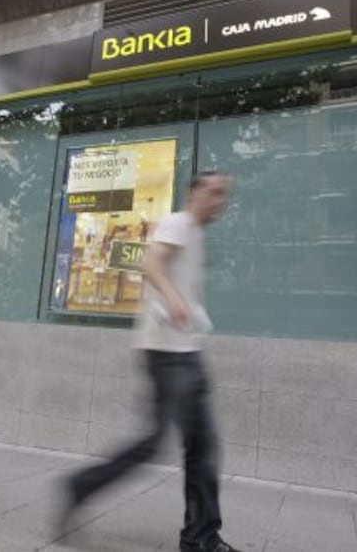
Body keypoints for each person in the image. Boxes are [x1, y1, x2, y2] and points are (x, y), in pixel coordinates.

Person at [55, 172, 242, 552]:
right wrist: (174, 299)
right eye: (215, 192)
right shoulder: (178, 222)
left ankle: (200, 538)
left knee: (198, 447)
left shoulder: (195, 233)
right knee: (172, 445)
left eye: (225, 195)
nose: (221, 200)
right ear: (195, 193)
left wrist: (187, 309)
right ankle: (198, 538)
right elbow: (151, 264)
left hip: (185, 351)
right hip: (169, 356)